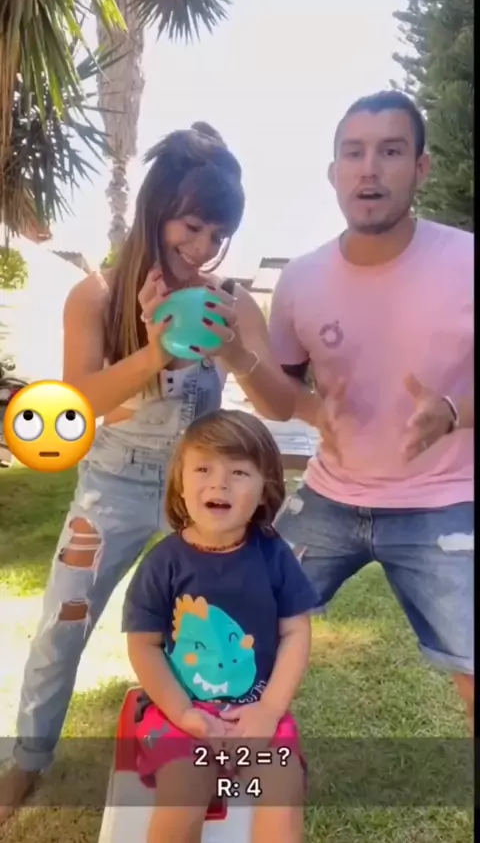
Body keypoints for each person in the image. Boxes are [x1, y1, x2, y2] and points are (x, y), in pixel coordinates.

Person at [0, 122, 296, 824]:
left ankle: (227, 745)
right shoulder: (97, 296)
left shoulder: (229, 302)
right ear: (156, 211)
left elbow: (280, 403)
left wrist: (234, 351)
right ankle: (26, 762)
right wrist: (155, 350)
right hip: (112, 488)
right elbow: (76, 407)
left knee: (228, 625)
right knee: (62, 624)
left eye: (217, 235)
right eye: (191, 228)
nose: (203, 248)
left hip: (203, 494)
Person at [268, 91, 474, 727]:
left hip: (448, 500)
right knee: (232, 630)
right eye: (353, 153)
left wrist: (454, 412)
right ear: (333, 172)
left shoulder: (467, 261)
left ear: (421, 167)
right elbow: (281, 393)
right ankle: (228, 777)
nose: (370, 169)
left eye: (390, 151)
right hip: (329, 498)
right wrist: (301, 402)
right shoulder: (300, 280)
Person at [123, 409, 316, 843]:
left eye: (239, 472)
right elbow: (144, 646)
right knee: (186, 791)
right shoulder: (162, 564)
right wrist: (184, 713)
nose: (219, 483)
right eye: (203, 469)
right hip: (180, 712)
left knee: (281, 795)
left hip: (256, 713)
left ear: (265, 489)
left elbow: (296, 632)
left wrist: (269, 710)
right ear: (180, 483)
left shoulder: (274, 555)